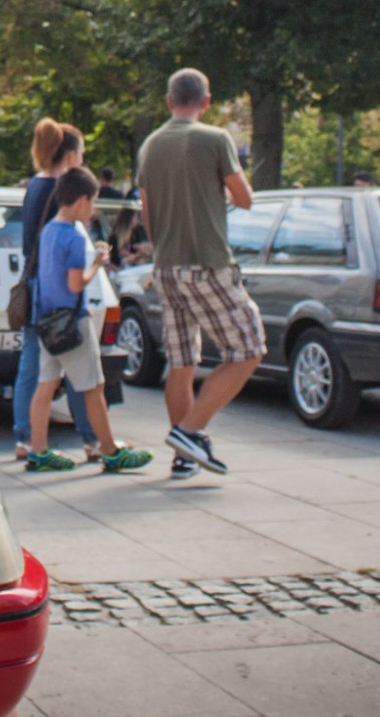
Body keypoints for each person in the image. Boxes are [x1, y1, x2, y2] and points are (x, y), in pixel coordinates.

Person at [138, 68, 262, 479]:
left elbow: (147, 211)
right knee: (248, 348)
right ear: (205, 102)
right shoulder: (215, 139)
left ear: (169, 101)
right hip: (207, 262)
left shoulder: (150, 145)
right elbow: (244, 198)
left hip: (167, 266)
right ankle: (191, 432)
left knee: (181, 359)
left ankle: (182, 455)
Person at [25, 168, 152, 473]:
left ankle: (38, 451)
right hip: (72, 323)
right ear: (81, 200)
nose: (93, 208)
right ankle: (110, 451)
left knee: (45, 388)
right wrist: (97, 265)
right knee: (94, 387)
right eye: (92, 201)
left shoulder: (49, 231)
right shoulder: (71, 236)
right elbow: (74, 285)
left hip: (47, 322)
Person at [13, 119, 102, 461]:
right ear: (69, 156)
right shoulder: (60, 193)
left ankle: (24, 439)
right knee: (76, 362)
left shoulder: (35, 186)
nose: (82, 160)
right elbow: (61, 253)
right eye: (81, 153)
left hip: (35, 286)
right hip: (55, 290)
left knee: (32, 366)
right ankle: (92, 438)